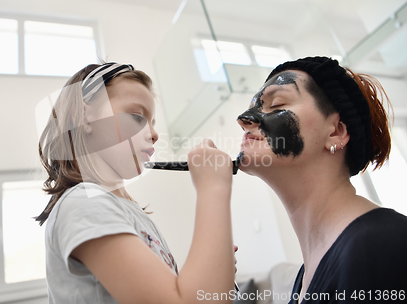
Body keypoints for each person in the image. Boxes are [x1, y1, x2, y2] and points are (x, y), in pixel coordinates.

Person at [35, 62, 236, 304]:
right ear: (83, 117)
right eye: (137, 116)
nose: (153, 134)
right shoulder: (83, 204)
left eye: (152, 122)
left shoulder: (125, 211)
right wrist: (212, 188)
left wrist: (212, 273)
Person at [236, 56, 407, 303]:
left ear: (336, 132)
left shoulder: (384, 246)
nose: (244, 119)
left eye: (277, 104)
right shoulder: (305, 277)